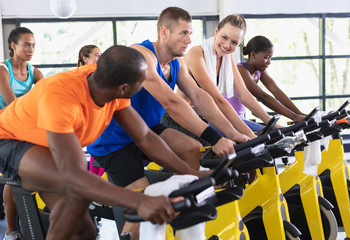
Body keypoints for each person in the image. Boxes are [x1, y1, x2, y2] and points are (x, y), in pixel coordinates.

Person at [0, 45, 200, 240]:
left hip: (44, 141)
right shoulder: (62, 97)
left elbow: (145, 137)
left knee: (83, 232)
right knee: (77, 190)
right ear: (125, 88)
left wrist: (193, 174)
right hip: (10, 138)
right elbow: (75, 176)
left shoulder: (109, 83)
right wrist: (142, 201)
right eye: (143, 82)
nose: (144, 86)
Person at [87, 7, 252, 239]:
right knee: (142, 199)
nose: (189, 40)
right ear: (164, 32)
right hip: (115, 139)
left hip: (148, 128)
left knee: (192, 148)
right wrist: (215, 139)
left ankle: (183, 221)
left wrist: (233, 134)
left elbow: (198, 96)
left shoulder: (177, 63)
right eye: (183, 33)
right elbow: (172, 103)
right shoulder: (143, 56)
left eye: (191, 33)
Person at [184, 14, 276, 133]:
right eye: (224, 37)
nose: (227, 45)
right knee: (255, 139)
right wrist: (251, 136)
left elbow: (244, 94)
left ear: (239, 44)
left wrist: (270, 123)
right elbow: (217, 99)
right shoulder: (196, 54)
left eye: (234, 42)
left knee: (270, 134)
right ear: (216, 32)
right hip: (190, 118)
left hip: (212, 117)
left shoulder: (227, 58)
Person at [0, 27, 44, 240]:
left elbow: (48, 99)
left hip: (23, 128)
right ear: (13, 45)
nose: (31, 49)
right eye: (26, 44)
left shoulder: (34, 72)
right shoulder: (3, 71)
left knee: (22, 175)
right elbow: (13, 106)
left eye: (33, 45)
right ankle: (11, 231)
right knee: (13, 177)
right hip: (4, 130)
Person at [237, 35, 306, 122]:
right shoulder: (240, 70)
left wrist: (299, 114)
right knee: (278, 133)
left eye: (270, 58)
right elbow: (263, 97)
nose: (269, 62)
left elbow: (276, 91)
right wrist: (294, 117)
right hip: (231, 119)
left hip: (240, 119)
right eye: (266, 58)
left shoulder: (259, 71)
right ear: (253, 54)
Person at [77, 44, 105, 177]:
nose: (100, 57)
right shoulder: (79, 76)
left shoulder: (99, 76)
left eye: (101, 54)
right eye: (97, 55)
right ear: (85, 58)